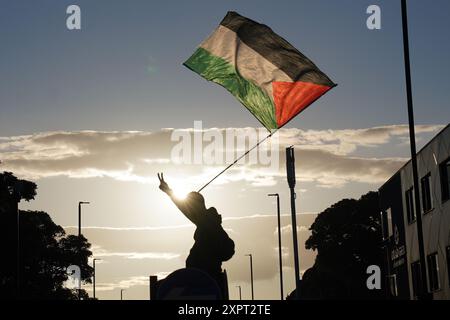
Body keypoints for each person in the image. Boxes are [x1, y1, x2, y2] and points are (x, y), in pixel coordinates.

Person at [157, 173, 235, 288]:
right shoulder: (208, 220)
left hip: (203, 274)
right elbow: (185, 208)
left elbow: (184, 208)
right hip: (204, 273)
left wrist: (168, 191)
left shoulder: (206, 221)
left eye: (191, 205)